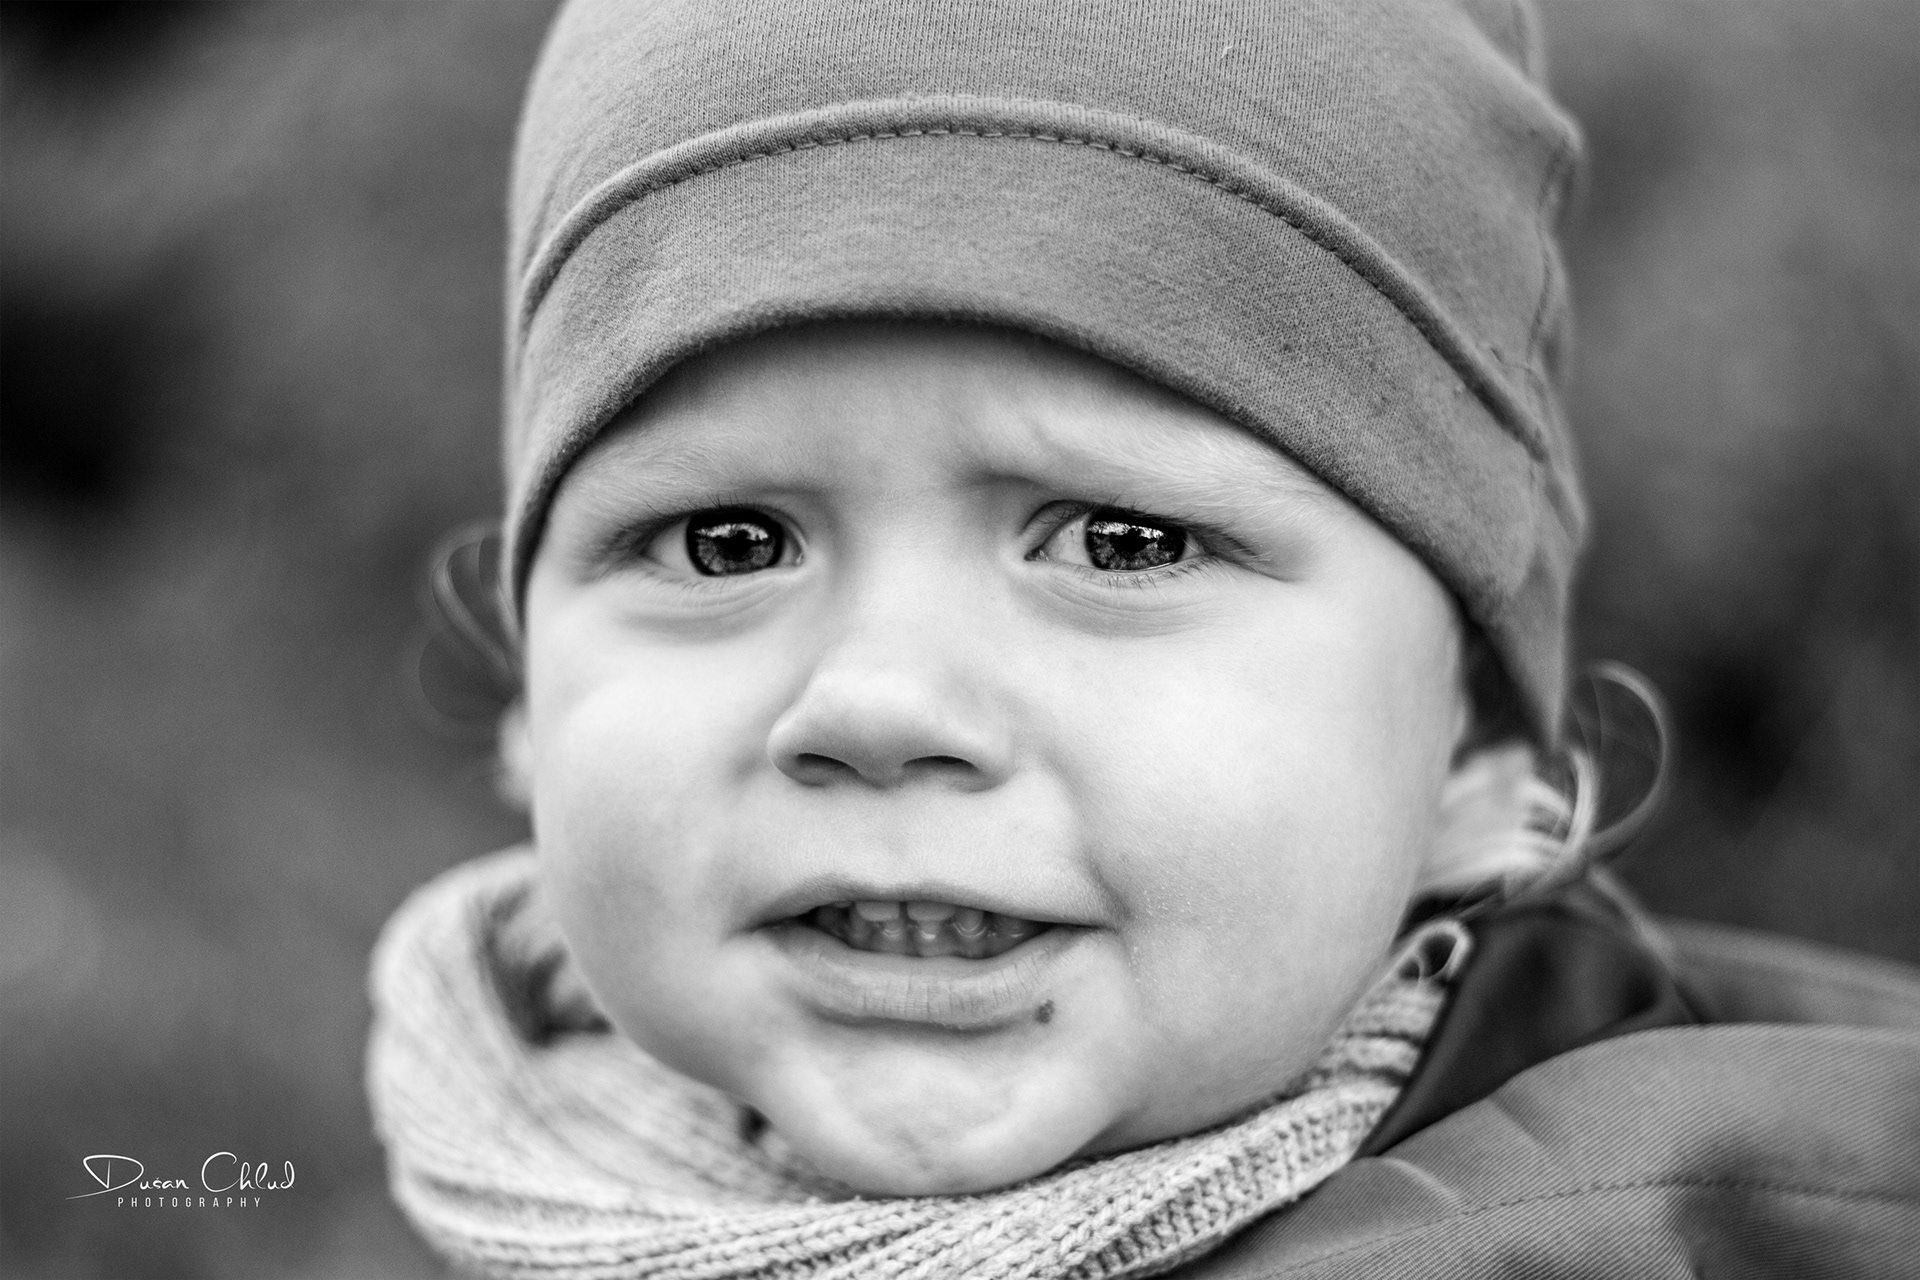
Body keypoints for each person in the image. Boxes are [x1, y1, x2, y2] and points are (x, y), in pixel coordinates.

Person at [366, 0, 1920, 1275]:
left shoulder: (1723, 1234)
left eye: (1124, 543)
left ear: (1479, 754)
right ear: (528, 702)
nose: (880, 700)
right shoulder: (517, 1160)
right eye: (727, 543)